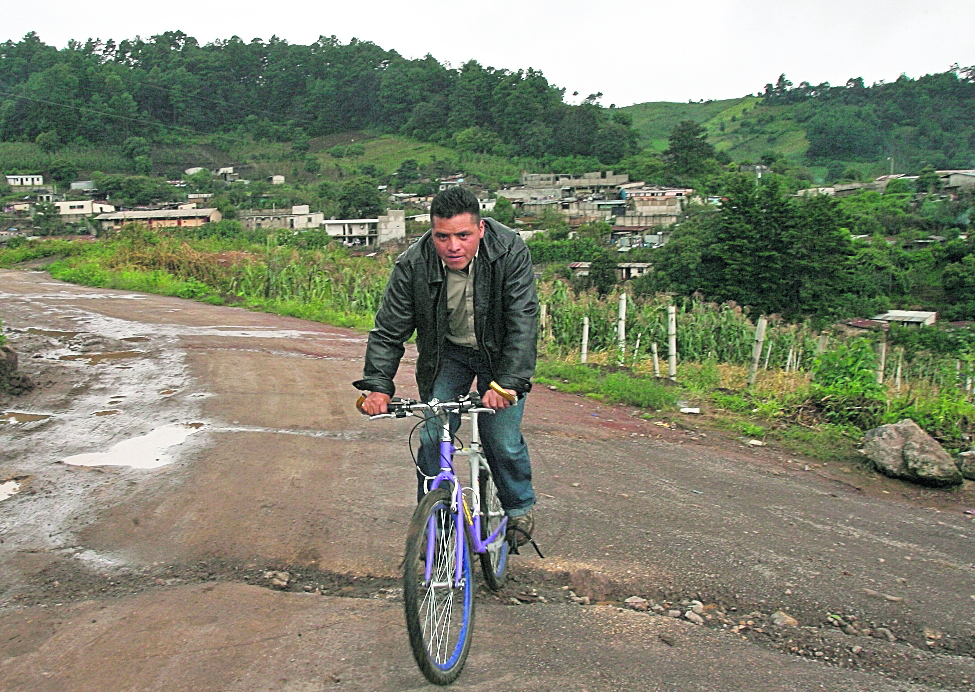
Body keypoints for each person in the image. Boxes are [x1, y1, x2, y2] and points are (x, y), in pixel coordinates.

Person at [355, 186, 538, 545]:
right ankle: (435, 527)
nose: (453, 246)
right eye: (442, 236)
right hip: (449, 355)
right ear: (432, 233)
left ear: (480, 229)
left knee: (499, 438)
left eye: (463, 235)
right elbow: (390, 329)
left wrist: (510, 381)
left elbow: (523, 319)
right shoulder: (413, 264)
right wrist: (377, 385)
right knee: (430, 436)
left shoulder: (509, 250)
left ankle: (519, 508)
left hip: (499, 357)